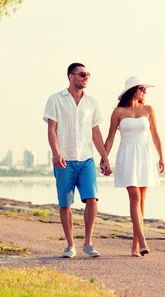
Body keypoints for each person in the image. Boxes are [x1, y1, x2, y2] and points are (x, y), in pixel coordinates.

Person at [43, 62, 112, 258]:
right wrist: (56, 154)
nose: (86, 77)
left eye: (88, 74)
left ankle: (88, 243)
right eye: (82, 74)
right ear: (71, 77)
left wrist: (105, 158)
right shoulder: (55, 100)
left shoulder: (92, 103)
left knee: (92, 199)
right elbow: (51, 130)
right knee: (65, 203)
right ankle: (70, 246)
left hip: (86, 158)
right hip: (65, 159)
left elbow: (96, 132)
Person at [103, 76, 165, 257]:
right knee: (135, 197)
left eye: (146, 89)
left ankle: (135, 245)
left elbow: (155, 135)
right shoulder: (118, 112)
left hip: (145, 155)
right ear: (133, 90)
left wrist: (161, 156)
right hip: (127, 155)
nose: (145, 92)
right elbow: (110, 138)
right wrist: (105, 158)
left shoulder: (149, 109)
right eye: (143, 88)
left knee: (142, 200)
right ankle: (143, 241)